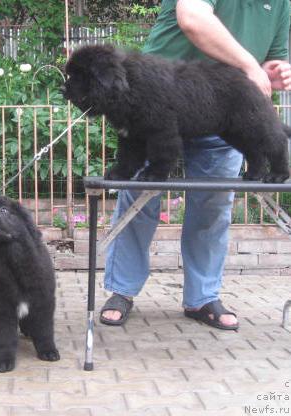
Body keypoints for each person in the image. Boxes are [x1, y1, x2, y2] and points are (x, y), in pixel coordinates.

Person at [100, 0, 291, 330]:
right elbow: (192, 18)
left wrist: (274, 69)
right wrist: (249, 64)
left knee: (213, 205)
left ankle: (202, 298)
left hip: (222, 105)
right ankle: (122, 291)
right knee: (140, 196)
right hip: (155, 99)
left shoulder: (280, 3)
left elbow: (272, 58)